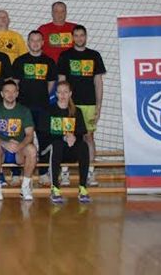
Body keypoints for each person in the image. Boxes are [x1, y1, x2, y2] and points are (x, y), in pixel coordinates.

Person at [57, 25, 106, 187]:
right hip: (70, 104)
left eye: (82, 35)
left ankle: (90, 172)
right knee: (66, 136)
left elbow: (98, 82)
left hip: (89, 104)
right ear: (72, 37)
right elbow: (62, 81)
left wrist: (98, 106)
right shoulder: (65, 56)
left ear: (86, 37)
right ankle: (64, 172)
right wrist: (63, 103)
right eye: (76, 35)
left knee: (88, 137)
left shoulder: (94, 55)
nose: (79, 38)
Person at [12, 30, 58, 186]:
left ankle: (43, 173)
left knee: (44, 141)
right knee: (20, 140)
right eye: (32, 40)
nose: (35, 43)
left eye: (38, 40)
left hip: (42, 108)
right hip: (23, 109)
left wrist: (42, 97)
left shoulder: (49, 62)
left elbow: (51, 85)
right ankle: (17, 173)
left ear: (43, 43)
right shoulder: (20, 61)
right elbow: (15, 84)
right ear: (28, 42)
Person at [40, 81, 91, 204]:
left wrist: (73, 137)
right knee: (57, 145)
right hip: (52, 151)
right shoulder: (49, 110)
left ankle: (83, 188)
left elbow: (81, 132)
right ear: (56, 94)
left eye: (65, 92)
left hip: (69, 150)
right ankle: (55, 189)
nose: (62, 95)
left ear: (70, 94)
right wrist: (64, 137)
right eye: (60, 92)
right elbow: (44, 134)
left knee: (84, 146)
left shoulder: (76, 111)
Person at [0, 80, 37, 201]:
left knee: (32, 149)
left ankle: (25, 187)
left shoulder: (24, 111)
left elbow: (29, 135)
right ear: (2, 94)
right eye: (7, 91)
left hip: (19, 150)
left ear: (17, 94)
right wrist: (5, 143)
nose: (10, 94)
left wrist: (19, 146)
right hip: (2, 150)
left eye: (13, 91)